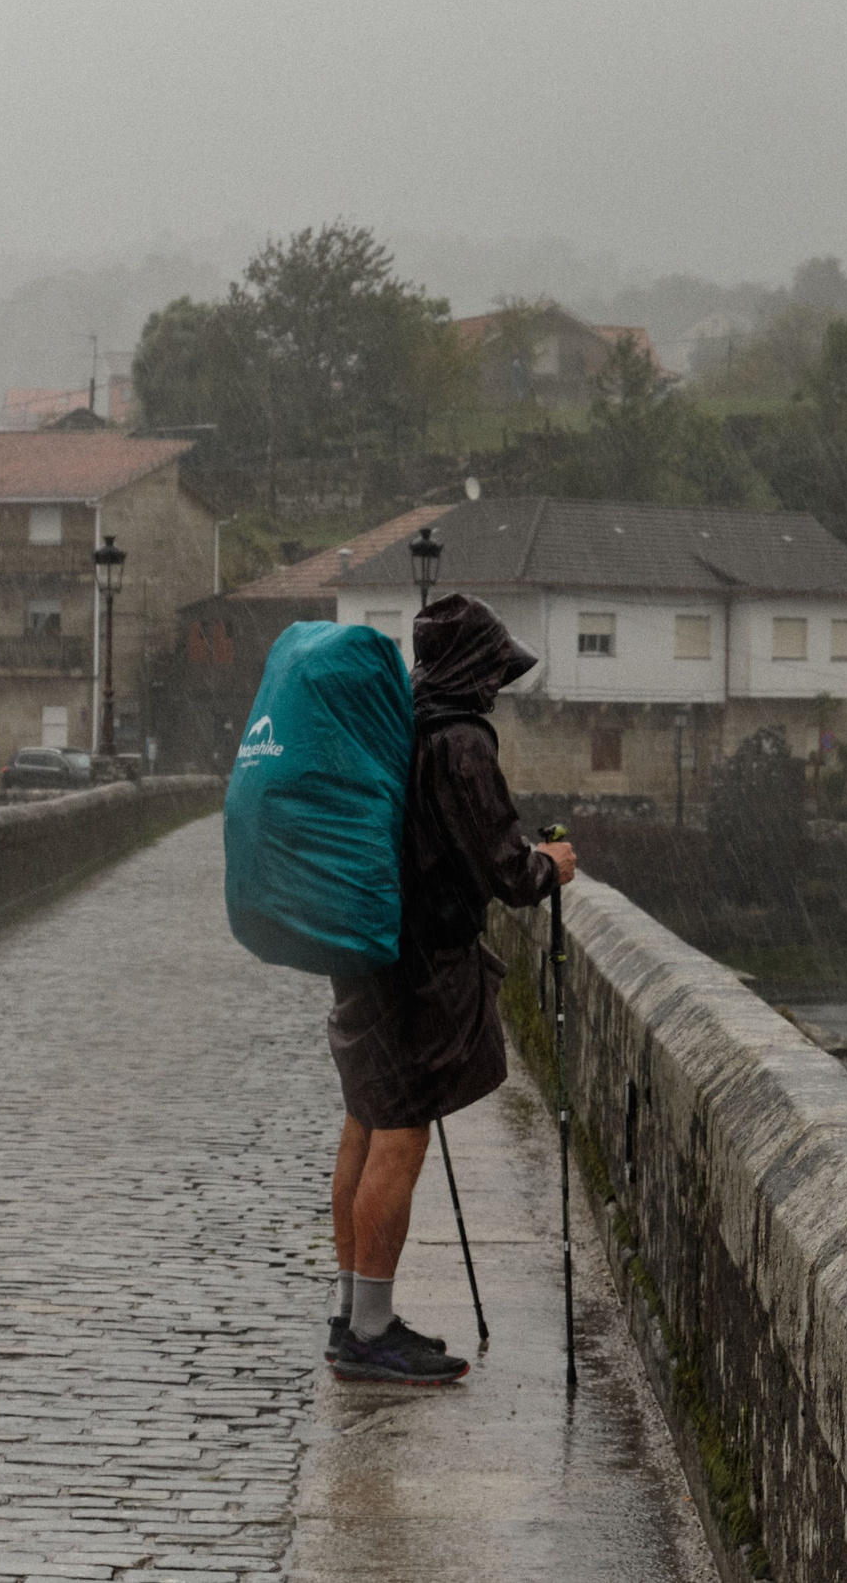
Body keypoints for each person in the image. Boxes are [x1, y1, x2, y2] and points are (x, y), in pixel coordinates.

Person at [324, 593, 577, 1385]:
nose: (499, 686)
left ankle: (350, 1312)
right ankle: (370, 1332)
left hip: (365, 945)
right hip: (422, 961)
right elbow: (506, 869)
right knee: (401, 1132)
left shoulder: (397, 724)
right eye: (496, 670)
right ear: (476, 668)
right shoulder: (461, 741)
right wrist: (552, 865)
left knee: (364, 1120)